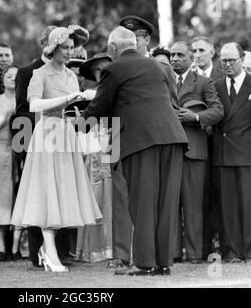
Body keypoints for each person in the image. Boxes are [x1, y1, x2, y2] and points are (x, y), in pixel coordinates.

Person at [76, 26, 188, 276]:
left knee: (143, 202)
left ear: (114, 48)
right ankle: (163, 263)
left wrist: (78, 125)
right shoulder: (160, 67)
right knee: (166, 204)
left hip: (141, 141)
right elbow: (172, 102)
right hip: (173, 137)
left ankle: (144, 263)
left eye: (109, 49)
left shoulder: (113, 68)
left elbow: (100, 105)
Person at [10, 25, 102, 273]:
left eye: (72, 47)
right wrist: (67, 99)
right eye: (65, 47)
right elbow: (35, 104)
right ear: (53, 48)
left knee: (62, 190)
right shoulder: (40, 73)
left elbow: (74, 106)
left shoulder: (72, 76)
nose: (69, 52)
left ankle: (47, 248)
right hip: (47, 133)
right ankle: (49, 250)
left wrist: (84, 101)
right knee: (48, 189)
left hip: (66, 133)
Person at [170, 41, 224, 263]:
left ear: (190, 58)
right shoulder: (163, 82)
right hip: (170, 150)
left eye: (179, 55)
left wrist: (196, 117)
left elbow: (218, 110)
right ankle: (171, 253)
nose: (174, 59)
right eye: (172, 55)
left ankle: (194, 254)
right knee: (170, 205)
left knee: (193, 206)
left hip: (194, 151)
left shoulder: (203, 82)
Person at [10, 25, 56, 268]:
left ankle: (61, 250)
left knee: (59, 193)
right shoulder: (28, 72)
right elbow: (21, 111)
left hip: (62, 142)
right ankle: (37, 251)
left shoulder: (67, 72)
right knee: (38, 196)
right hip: (36, 141)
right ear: (44, 44)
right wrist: (25, 146)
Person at [213, 43, 251, 263]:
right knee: (227, 203)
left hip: (249, 153)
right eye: (224, 61)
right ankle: (231, 251)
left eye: (232, 60)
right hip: (223, 152)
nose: (228, 65)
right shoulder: (216, 85)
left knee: (250, 203)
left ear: (242, 59)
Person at [75, 53, 113, 262]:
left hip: (115, 146)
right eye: (98, 70)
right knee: (95, 196)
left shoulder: (121, 91)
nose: (102, 72)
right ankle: (94, 249)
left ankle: (116, 248)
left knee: (114, 196)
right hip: (92, 151)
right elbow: (80, 125)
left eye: (106, 68)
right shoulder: (87, 96)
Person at [191, 36, 225, 260]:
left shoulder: (222, 77)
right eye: (194, 50)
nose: (197, 54)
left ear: (212, 52)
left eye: (201, 50)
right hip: (196, 145)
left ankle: (221, 244)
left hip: (220, 145)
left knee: (220, 196)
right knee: (199, 197)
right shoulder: (189, 78)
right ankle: (200, 248)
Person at [0, 64, 23, 261]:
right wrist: (4, 116)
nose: (12, 78)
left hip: (19, 151)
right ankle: (1, 245)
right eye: (9, 75)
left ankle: (17, 247)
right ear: (2, 80)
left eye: (16, 76)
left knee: (18, 197)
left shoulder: (24, 100)